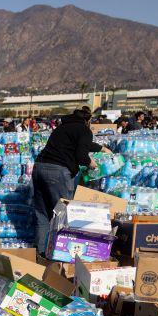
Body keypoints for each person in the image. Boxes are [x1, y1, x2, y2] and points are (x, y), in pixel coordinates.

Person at [31, 106, 106, 254]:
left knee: (43, 213)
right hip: (57, 173)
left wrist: (101, 148)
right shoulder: (84, 130)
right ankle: (62, 253)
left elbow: (80, 144)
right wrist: (91, 164)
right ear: (88, 120)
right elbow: (81, 154)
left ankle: (40, 253)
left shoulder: (61, 128)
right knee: (63, 213)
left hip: (39, 168)